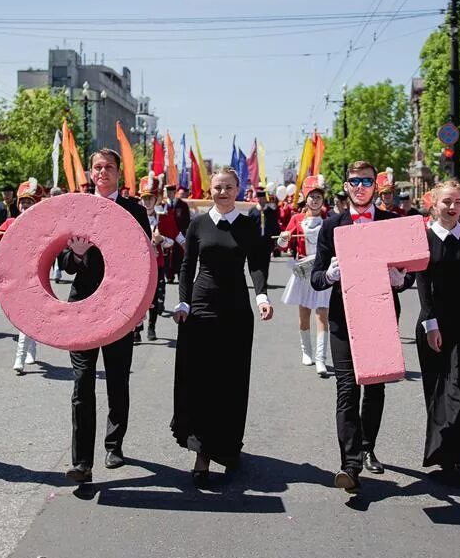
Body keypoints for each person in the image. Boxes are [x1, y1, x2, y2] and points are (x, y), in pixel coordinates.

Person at [311, 160, 410, 493]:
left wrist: (401, 278)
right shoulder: (331, 226)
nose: (360, 187)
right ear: (347, 186)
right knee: (346, 389)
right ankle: (349, 464)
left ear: (375, 186)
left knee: (376, 386)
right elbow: (316, 277)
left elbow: (407, 272)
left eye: (367, 181)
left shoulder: (390, 223)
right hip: (343, 315)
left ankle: (368, 448)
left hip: (380, 313)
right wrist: (330, 275)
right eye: (355, 181)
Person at [172, 168, 273, 485]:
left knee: (232, 379)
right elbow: (187, 266)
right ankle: (202, 453)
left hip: (236, 309)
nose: (223, 192)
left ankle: (229, 446)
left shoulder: (247, 224)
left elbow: (256, 263)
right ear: (210, 190)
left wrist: (262, 297)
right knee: (202, 379)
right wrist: (183, 302)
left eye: (229, 187)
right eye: (217, 187)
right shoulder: (197, 224)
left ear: (238, 189)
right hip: (202, 307)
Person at [59, 149, 151, 484]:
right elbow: (64, 262)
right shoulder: (77, 208)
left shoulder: (134, 210)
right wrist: (78, 255)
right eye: (97, 167)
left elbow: (144, 261)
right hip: (82, 306)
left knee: (116, 379)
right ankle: (81, 462)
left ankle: (114, 444)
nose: (102, 172)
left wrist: (140, 309)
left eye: (108, 167)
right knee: (82, 383)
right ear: (90, 172)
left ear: (118, 173)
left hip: (119, 308)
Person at [416, 180, 460, 483]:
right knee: (437, 388)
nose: (452, 207)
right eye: (446, 201)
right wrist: (430, 324)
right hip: (433, 323)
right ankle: (442, 451)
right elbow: (422, 285)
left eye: (457, 201)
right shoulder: (424, 238)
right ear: (434, 203)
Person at [0, 179, 45, 373]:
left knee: (26, 314)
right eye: (22, 202)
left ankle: (19, 357)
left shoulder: (43, 225)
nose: (25, 205)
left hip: (36, 276)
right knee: (24, 315)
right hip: (14, 275)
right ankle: (31, 346)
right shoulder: (12, 222)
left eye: (29, 202)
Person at [276, 175, 332, 376]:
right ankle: (306, 351)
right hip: (303, 269)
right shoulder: (296, 219)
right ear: (305, 199)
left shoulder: (329, 220)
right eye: (311, 196)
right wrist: (283, 239)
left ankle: (321, 358)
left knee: (322, 313)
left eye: (318, 196)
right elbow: (283, 244)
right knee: (304, 314)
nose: (315, 200)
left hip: (323, 271)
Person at [139, 175, 180, 341]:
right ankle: (136, 329)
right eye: (145, 198)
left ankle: (151, 327)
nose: (148, 201)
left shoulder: (163, 216)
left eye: (150, 198)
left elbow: (173, 240)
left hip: (157, 264)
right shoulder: (134, 215)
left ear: (156, 199)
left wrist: (161, 240)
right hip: (138, 266)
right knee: (138, 298)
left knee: (154, 298)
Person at [247, 187, 280, 279]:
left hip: (267, 241)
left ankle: (264, 280)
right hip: (255, 241)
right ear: (257, 199)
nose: (261, 200)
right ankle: (257, 279)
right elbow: (248, 226)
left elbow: (275, 227)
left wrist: (276, 241)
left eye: (263, 198)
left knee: (265, 262)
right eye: (260, 198)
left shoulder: (271, 212)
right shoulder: (252, 211)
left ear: (266, 199)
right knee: (255, 261)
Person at [163, 183, 191, 284]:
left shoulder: (182, 205)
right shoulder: (163, 206)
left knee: (180, 256)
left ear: (175, 192)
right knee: (167, 257)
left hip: (180, 235)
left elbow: (187, 221)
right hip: (167, 236)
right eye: (168, 192)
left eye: (171, 192)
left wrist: (183, 233)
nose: (169, 194)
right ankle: (169, 276)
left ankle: (181, 276)